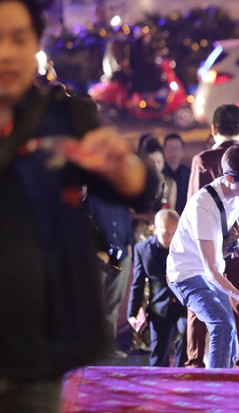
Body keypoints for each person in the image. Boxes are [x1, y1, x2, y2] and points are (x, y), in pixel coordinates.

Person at [0, 1, 157, 411]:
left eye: (18, 39)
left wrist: (125, 169)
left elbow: (140, 190)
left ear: (35, 45)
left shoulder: (65, 116)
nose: (6, 53)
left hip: (36, 351)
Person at [167, 143, 239, 369]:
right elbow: (210, 270)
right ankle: (216, 385)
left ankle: (225, 379)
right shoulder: (203, 206)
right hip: (186, 275)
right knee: (222, 325)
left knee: (229, 333)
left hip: (210, 272)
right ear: (230, 178)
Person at [128, 209, 187, 367]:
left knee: (186, 335)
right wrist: (132, 313)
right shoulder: (142, 249)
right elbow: (138, 283)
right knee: (159, 355)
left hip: (183, 304)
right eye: (166, 233)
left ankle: (181, 374)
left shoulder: (184, 247)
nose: (170, 237)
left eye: (174, 233)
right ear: (155, 228)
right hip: (159, 307)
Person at [84, 192, 135, 359]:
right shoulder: (92, 199)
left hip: (121, 257)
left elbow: (127, 225)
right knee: (89, 301)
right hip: (97, 257)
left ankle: (109, 346)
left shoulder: (123, 200)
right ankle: (86, 348)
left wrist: (129, 251)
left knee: (113, 304)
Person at [163, 132, 190, 214]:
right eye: (170, 148)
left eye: (177, 148)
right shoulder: (159, 173)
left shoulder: (188, 174)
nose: (174, 152)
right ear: (164, 150)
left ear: (182, 151)